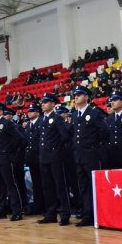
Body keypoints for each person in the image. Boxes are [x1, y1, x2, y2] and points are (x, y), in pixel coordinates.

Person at [70, 86, 109, 227]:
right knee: (84, 186)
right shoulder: (74, 115)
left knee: (95, 186)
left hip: (92, 154)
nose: (76, 97)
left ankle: (100, 215)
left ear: (86, 97)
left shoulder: (94, 113)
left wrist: (95, 146)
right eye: (75, 95)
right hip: (79, 155)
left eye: (79, 94)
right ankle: (88, 215)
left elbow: (104, 132)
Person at [38, 93, 72, 226]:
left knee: (60, 186)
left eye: (46, 102)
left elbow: (65, 136)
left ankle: (64, 214)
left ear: (53, 104)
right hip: (44, 157)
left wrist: (56, 149)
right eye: (42, 102)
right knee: (48, 187)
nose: (43, 104)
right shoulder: (42, 119)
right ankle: (51, 213)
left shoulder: (56, 118)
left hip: (55, 156)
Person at [0, 102, 26, 221]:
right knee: (0, 187)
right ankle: (1, 211)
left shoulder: (7, 123)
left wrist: (9, 151)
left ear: (1, 111)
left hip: (5, 159)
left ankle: (17, 212)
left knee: (11, 185)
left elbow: (19, 138)